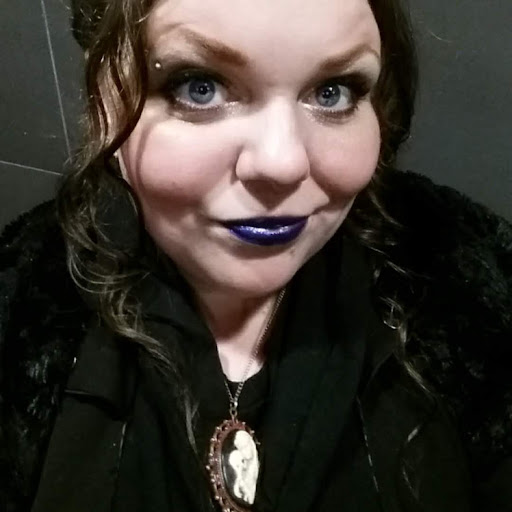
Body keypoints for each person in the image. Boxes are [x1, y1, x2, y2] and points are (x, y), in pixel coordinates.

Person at [1, 0, 511, 510]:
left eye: (333, 92)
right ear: (103, 101)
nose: (282, 163)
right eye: (199, 86)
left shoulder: (475, 300)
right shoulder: (20, 311)